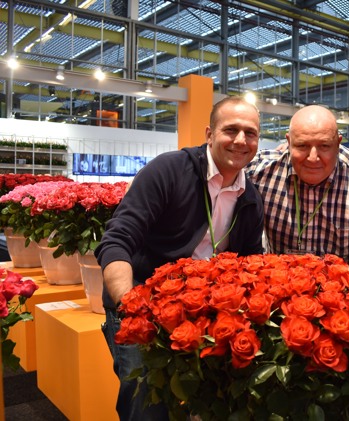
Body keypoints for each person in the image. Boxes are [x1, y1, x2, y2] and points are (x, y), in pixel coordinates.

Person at [95, 96, 265, 421]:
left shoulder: (251, 198)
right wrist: (131, 306)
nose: (241, 140)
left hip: (204, 311)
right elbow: (116, 240)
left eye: (251, 133)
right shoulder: (168, 170)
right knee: (146, 400)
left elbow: (250, 264)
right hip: (141, 302)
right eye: (231, 130)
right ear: (209, 134)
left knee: (211, 399)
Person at [246, 104, 349, 270]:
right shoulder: (259, 172)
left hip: (344, 282)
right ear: (289, 142)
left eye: (324, 146)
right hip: (280, 281)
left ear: (338, 144)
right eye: (302, 146)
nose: (313, 158)